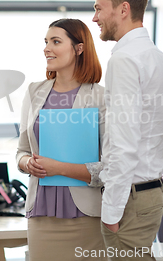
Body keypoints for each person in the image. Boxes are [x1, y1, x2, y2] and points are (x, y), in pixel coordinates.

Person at [92, 0, 163, 260]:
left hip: (130, 196)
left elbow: (124, 141)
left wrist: (112, 209)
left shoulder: (125, 59)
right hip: (152, 191)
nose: (95, 18)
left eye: (99, 8)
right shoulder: (159, 59)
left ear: (124, 9)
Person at [16, 18, 107, 260]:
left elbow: (110, 167)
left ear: (79, 48)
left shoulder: (101, 97)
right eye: (46, 42)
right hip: (41, 215)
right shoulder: (34, 92)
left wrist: (59, 168)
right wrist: (28, 164)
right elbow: (21, 151)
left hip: (86, 216)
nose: (47, 48)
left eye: (56, 41)